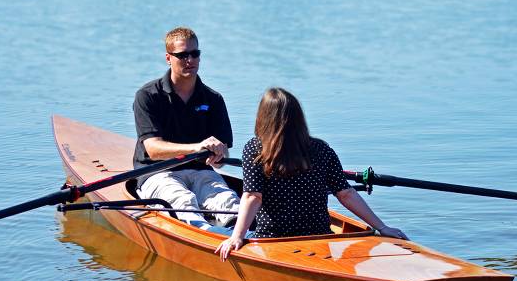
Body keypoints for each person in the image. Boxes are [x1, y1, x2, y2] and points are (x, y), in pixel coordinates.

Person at [215, 87, 408, 261]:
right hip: (320, 236)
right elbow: (346, 193)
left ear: (262, 119)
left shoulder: (255, 149)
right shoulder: (320, 148)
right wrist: (382, 227)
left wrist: (237, 237)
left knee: (219, 227)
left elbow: (252, 196)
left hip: (272, 240)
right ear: (299, 119)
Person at [133, 27, 239, 229]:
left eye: (195, 54)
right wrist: (196, 148)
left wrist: (219, 153)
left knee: (229, 203)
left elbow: (221, 159)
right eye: (182, 55)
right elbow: (154, 150)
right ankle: (203, 239)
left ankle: (244, 240)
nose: (190, 60)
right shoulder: (147, 96)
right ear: (168, 58)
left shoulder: (214, 99)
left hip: (201, 171)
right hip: (157, 173)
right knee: (183, 201)